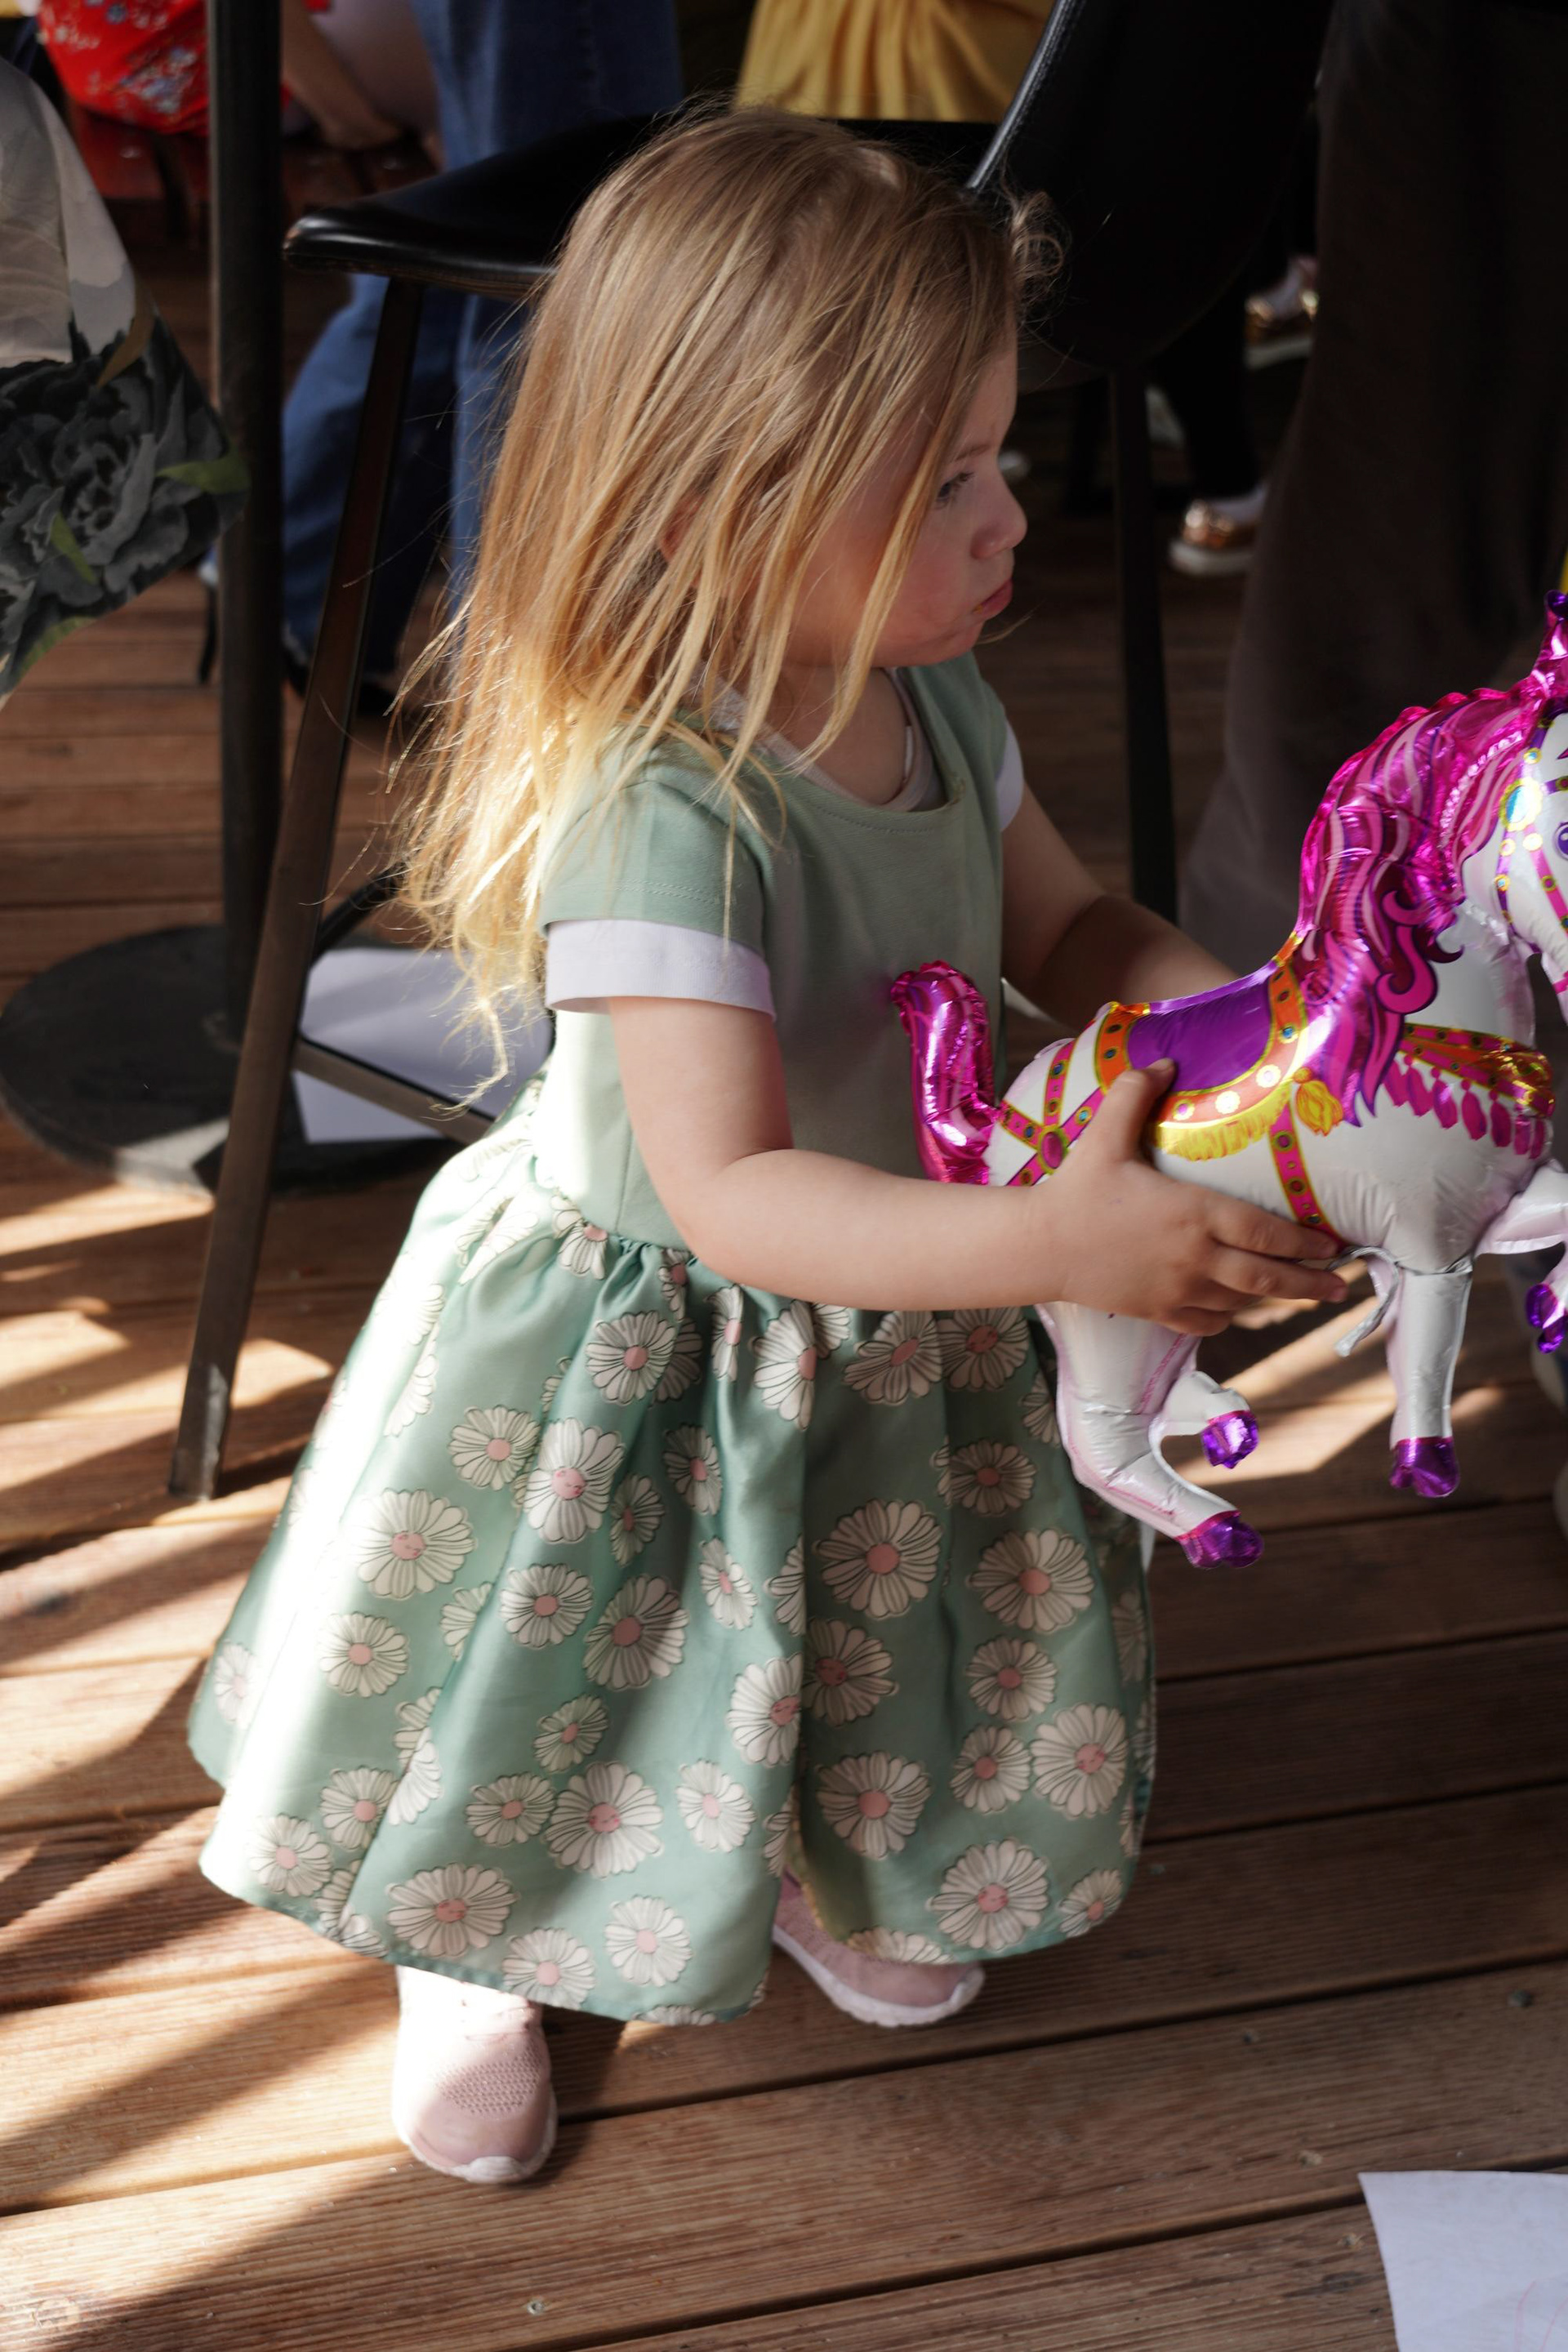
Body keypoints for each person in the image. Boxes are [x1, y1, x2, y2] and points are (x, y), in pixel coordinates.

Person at [185, 110, 1345, 2188]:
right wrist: (1063, 1250)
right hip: (660, 1333)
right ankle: (467, 1932)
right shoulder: (667, 798)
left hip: (892, 1289)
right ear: (723, 500)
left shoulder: (937, 703)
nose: (1012, 519)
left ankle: (800, 1855)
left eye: (1001, 455)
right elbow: (727, 1189)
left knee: (827, 1627)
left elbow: (1073, 931)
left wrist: (1258, 1035)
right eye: (947, 482)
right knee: (569, 1657)